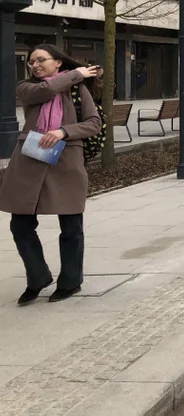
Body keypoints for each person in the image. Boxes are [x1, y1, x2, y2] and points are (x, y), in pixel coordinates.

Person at [0, 47, 100, 305]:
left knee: (71, 227)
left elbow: (93, 124)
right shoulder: (27, 88)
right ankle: (38, 277)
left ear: (57, 62)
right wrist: (76, 74)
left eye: (41, 60)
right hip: (28, 162)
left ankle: (70, 281)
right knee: (20, 225)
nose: (35, 65)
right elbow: (46, 91)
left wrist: (63, 132)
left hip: (65, 162)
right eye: (31, 61)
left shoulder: (78, 90)